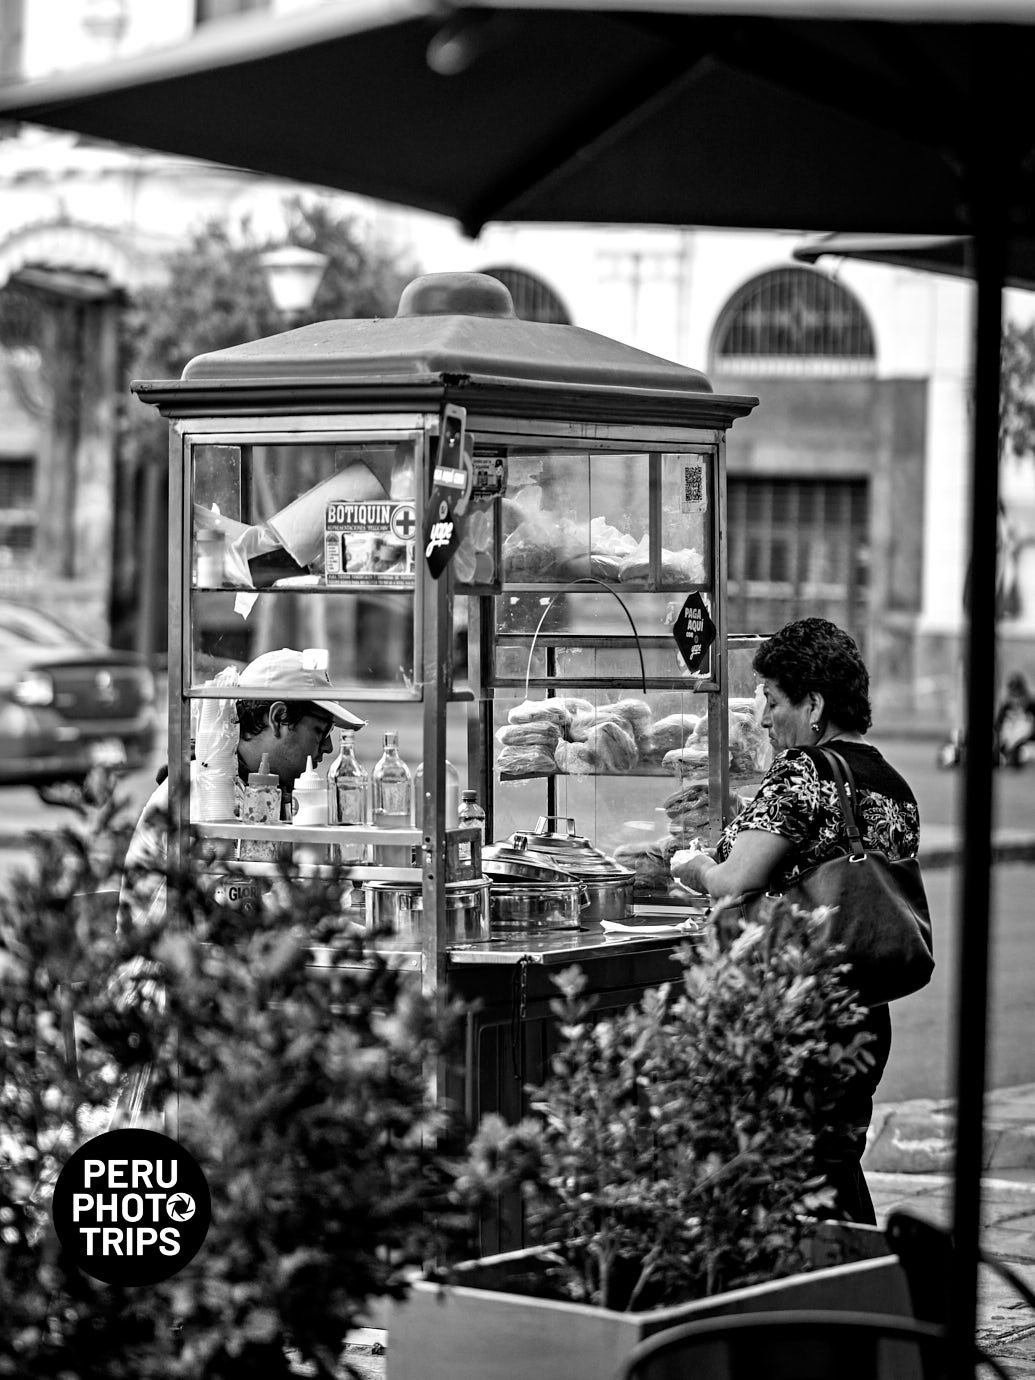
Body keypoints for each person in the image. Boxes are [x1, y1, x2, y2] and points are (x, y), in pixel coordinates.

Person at [671, 617, 920, 1224]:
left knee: (788, 1166)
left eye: (773, 700)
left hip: (796, 1014)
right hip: (864, 1014)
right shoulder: (893, 784)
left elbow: (735, 884)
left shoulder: (805, 772)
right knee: (829, 1160)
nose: (761, 718)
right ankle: (859, 1288)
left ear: (814, 704)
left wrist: (692, 864)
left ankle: (849, 1292)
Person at [118, 647, 365, 931]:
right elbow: (222, 909)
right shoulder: (204, 789)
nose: (328, 748)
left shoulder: (265, 793)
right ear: (278, 718)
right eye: (320, 732)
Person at [994, 672, 1035, 768]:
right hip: (1006, 744)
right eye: (1013, 695)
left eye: (1018, 695)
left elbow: (1029, 731)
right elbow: (997, 727)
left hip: (1026, 746)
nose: (1016, 700)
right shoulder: (1006, 708)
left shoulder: (1032, 707)